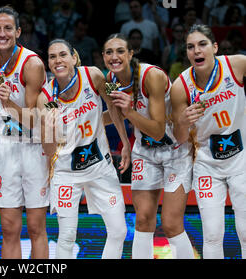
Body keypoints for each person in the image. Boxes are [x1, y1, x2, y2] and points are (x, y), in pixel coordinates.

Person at [102, 33, 195, 259]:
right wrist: (124, 142)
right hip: (145, 150)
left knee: (171, 224)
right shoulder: (110, 80)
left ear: (131, 54)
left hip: (176, 148)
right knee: (143, 220)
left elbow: (158, 130)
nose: (114, 57)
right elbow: (113, 115)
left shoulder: (150, 76)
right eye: (109, 52)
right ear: (103, 56)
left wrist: (129, 111)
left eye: (120, 51)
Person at [38, 39, 130, 259]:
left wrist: (126, 143)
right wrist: (47, 128)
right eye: (52, 57)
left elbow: (114, 110)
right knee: (67, 236)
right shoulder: (46, 98)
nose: (58, 60)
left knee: (119, 231)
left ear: (74, 57)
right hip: (65, 173)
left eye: (62, 55)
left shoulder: (94, 76)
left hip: (100, 167)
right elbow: (49, 150)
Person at [171, 24, 246, 259]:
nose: (197, 51)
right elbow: (180, 137)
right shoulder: (180, 86)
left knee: (245, 231)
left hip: (241, 160)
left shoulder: (236, 65)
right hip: (207, 164)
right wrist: (182, 122)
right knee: (212, 234)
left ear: (214, 47)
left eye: (202, 44)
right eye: (191, 47)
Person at [0, 5, 49, 259]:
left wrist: (10, 104)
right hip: (5, 147)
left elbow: (33, 120)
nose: (2, 33)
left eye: (8, 28)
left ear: (18, 31)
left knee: (35, 227)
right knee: (9, 228)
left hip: (33, 147)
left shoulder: (32, 64)